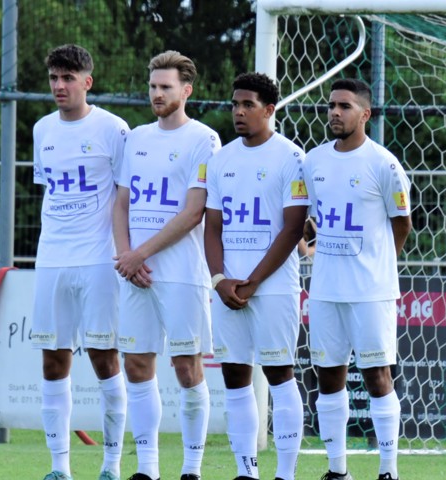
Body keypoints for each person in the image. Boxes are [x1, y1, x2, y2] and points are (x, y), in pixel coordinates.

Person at [112, 50, 220, 480]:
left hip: (180, 273)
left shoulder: (204, 139)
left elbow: (194, 211)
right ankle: (148, 469)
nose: (157, 94)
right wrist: (126, 256)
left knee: (186, 366)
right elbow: (120, 204)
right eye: (153, 86)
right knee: (136, 364)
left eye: (166, 87)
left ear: (186, 90)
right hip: (134, 273)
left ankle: (191, 468)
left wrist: (142, 253)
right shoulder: (135, 137)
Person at [302, 78, 412, 480]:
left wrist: (377, 264)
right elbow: (310, 219)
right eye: (331, 105)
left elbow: (402, 224)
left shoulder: (383, 163)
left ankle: (388, 470)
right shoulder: (313, 161)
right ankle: (337, 471)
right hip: (326, 289)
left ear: (364, 114)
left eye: (344, 106)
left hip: (371, 291)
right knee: (328, 376)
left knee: (377, 377)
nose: (334, 112)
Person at [31, 44, 130, 480]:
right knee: (53, 361)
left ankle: (110, 466)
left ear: (87, 82)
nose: (59, 86)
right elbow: (48, 191)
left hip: (97, 260)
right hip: (52, 258)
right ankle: (60, 469)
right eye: (54, 77)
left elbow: (125, 198)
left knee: (105, 359)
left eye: (68, 78)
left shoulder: (113, 128)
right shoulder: (41, 129)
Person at [204, 72, 309, 480]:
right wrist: (219, 279)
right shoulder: (221, 158)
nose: (239, 112)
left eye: (248, 105)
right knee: (234, 373)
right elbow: (212, 226)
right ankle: (246, 471)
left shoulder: (291, 157)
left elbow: (292, 228)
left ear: (269, 110)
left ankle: (285, 474)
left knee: (280, 373)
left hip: (273, 287)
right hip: (228, 287)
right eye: (234, 104)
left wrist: (253, 281)